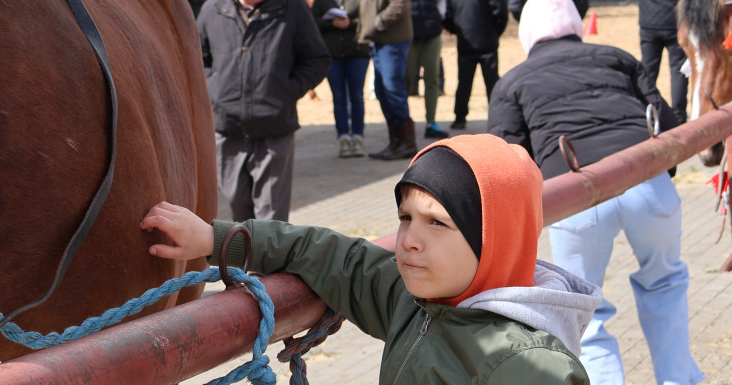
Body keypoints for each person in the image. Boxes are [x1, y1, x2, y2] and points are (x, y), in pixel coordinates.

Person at [142, 134, 600, 383]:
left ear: (494, 240)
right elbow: (329, 254)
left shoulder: (527, 366)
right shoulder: (414, 299)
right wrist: (215, 237)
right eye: (405, 218)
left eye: (437, 223)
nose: (409, 241)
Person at [487, 0, 704, 385]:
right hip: (644, 177)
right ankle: (679, 380)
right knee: (666, 281)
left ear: (527, 35)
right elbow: (665, 123)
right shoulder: (618, 58)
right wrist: (660, 183)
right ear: (576, 24)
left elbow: (505, 160)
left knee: (585, 309)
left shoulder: (512, 81)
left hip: (574, 193)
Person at [198, 0, 330, 222]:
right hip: (228, 129)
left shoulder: (291, 5)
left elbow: (317, 58)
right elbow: (197, 59)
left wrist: (287, 91)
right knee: (236, 207)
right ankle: (243, 266)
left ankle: (266, 267)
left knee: (270, 216)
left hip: (274, 128)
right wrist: (215, 92)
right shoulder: (213, 9)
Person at [353, 0, 416, 160]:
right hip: (381, 41)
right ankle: (396, 142)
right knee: (382, 90)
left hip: (393, 41)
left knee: (393, 90)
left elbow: (398, 5)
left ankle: (406, 143)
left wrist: (376, 23)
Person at [313, 0, 371, 158]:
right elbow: (314, 21)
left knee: (356, 96)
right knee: (338, 97)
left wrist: (351, 24)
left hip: (357, 52)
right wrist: (332, 24)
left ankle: (358, 137)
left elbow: (369, 20)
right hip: (333, 54)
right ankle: (343, 138)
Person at [443, 0, 508, 130]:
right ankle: (498, 120)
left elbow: (445, 16)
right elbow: (501, 13)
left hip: (465, 44)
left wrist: (457, 31)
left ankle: (459, 119)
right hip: (488, 44)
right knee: (492, 83)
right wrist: (495, 33)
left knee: (463, 82)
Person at [400, 0, 448, 139]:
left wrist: (440, 16)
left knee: (432, 78)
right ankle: (403, 124)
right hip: (408, 36)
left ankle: (431, 123)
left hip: (431, 33)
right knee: (407, 78)